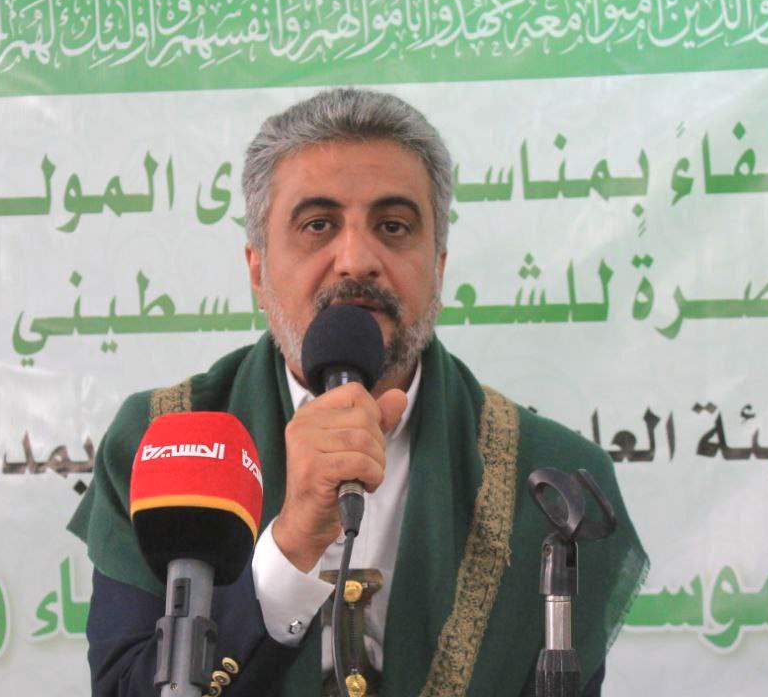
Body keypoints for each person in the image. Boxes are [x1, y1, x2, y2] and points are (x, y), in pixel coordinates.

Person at [68, 88, 648, 696]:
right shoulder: (164, 441)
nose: (356, 260)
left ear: (438, 266)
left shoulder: (553, 482)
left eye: (393, 227)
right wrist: (290, 547)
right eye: (318, 225)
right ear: (258, 269)